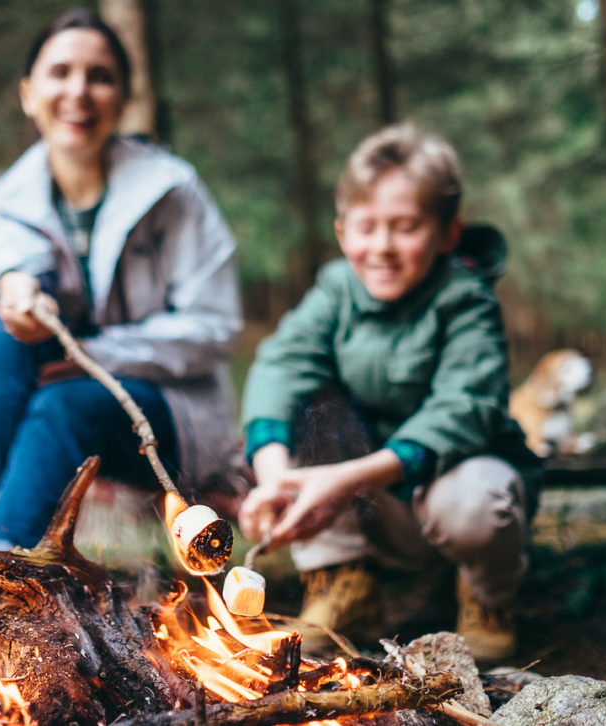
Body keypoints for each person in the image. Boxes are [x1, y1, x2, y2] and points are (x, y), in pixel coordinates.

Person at [237, 122, 541, 662]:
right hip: (370, 502)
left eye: (405, 227)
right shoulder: (337, 290)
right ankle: (342, 581)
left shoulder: (466, 301)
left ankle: (488, 596)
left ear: (449, 234)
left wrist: (343, 479)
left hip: (445, 493)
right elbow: (281, 366)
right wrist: (275, 476)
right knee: (311, 411)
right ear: (341, 231)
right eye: (366, 227)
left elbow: (464, 409)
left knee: (474, 499)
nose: (381, 247)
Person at [0, 10, 242, 559]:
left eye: (100, 76)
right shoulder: (7, 199)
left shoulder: (172, 189)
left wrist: (96, 355)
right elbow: (6, 260)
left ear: (121, 97)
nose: (79, 91)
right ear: (28, 92)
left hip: (172, 413)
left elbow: (215, 327)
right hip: (64, 406)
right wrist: (16, 288)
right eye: (61, 72)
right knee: (7, 336)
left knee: (66, 403)